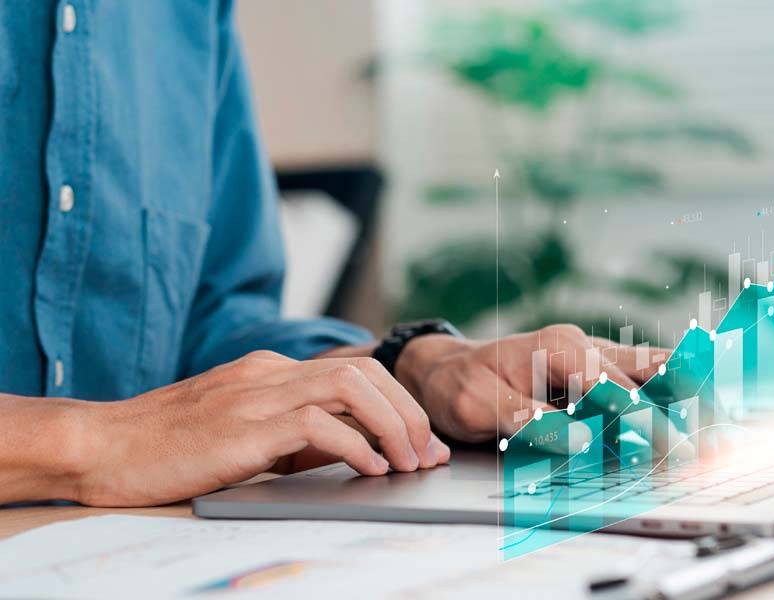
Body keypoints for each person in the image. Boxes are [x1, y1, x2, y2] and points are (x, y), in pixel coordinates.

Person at [0, 2, 665, 507]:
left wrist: (412, 369)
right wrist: (94, 442)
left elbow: (214, 328)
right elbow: (154, 425)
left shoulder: (188, 14)